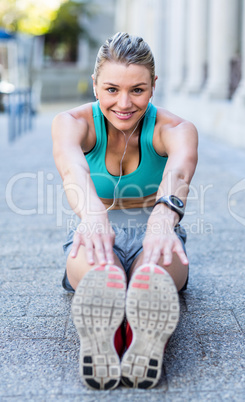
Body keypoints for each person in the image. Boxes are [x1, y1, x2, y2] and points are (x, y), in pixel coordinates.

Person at [52, 32, 198, 391]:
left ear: (153, 85)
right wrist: (93, 217)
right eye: (112, 89)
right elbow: (73, 169)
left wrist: (163, 222)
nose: (124, 103)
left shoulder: (176, 129)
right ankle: (114, 329)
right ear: (95, 85)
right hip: (95, 228)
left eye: (138, 90)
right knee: (103, 271)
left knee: (152, 272)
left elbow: (179, 172)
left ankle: (138, 334)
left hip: (157, 230)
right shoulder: (73, 122)